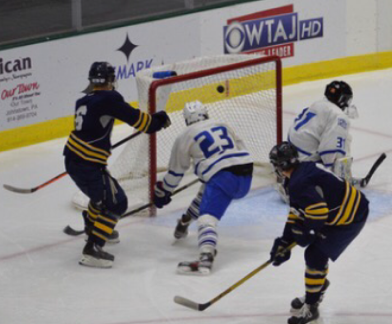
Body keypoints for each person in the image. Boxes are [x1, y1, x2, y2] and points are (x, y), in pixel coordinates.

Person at [64, 61, 171, 268]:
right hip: (87, 164)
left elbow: (93, 128)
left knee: (103, 195)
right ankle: (93, 249)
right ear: (111, 80)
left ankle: (92, 225)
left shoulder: (82, 101)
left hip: (74, 160)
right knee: (117, 203)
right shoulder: (110, 98)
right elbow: (143, 124)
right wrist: (159, 120)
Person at [268, 142, 369, 324]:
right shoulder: (300, 173)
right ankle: (317, 287)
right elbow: (297, 211)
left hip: (350, 217)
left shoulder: (298, 182)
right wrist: (285, 240)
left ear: (280, 166)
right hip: (344, 210)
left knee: (315, 255)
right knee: (315, 253)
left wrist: (307, 234)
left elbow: (319, 213)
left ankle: (312, 307)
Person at [153, 100, 253, 275]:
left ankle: (206, 257)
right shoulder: (222, 124)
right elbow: (240, 147)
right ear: (205, 113)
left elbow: (176, 173)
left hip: (223, 177)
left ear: (186, 119)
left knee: (207, 218)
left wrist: (163, 191)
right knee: (206, 191)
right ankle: (184, 221)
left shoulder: (184, 136)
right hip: (246, 174)